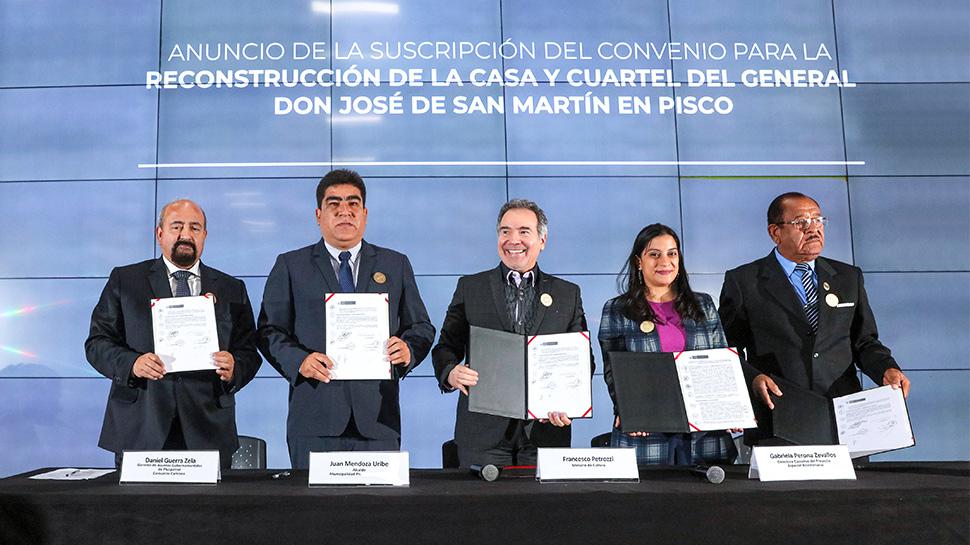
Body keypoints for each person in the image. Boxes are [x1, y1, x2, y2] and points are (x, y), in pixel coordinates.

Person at [257, 169, 435, 469]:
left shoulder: (396, 264)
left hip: (378, 419)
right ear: (318, 214)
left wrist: (408, 350)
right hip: (314, 418)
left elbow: (421, 327)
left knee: (377, 512)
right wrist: (299, 361)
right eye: (334, 204)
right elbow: (268, 330)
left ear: (364, 214)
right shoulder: (290, 265)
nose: (345, 212)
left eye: (353, 204)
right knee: (314, 514)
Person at [719, 192, 911, 445]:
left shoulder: (848, 277)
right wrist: (752, 379)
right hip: (779, 414)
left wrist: (886, 368)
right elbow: (726, 351)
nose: (813, 228)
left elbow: (864, 341)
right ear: (775, 232)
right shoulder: (744, 282)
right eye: (801, 222)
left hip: (844, 417)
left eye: (818, 220)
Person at [85, 199, 261, 468]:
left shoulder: (231, 288)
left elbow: (249, 350)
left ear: (204, 235)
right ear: (160, 234)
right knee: (136, 511)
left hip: (208, 427)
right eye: (177, 226)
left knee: (209, 511)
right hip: (141, 424)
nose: (186, 235)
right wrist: (133, 364)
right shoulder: (125, 280)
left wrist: (234, 367)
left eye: (195, 227)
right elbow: (97, 343)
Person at [432, 199, 592, 467]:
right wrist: (450, 372)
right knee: (483, 509)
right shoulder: (471, 287)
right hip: (482, 431)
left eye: (523, 231)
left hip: (545, 430)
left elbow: (583, 360)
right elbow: (445, 346)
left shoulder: (567, 294)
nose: (513, 239)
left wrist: (569, 403)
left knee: (543, 510)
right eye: (505, 231)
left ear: (542, 240)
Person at [599, 223, 737, 465]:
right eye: (654, 254)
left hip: (703, 436)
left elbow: (722, 364)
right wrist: (629, 410)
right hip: (646, 434)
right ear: (638, 262)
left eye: (672, 253)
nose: (665, 261)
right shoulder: (618, 309)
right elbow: (614, 371)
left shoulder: (703, 306)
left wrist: (729, 407)